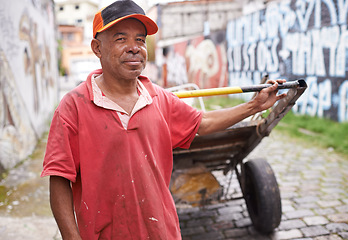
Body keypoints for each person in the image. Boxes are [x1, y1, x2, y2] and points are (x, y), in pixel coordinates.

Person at [41, 0, 286, 239]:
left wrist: (254, 105)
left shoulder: (158, 98)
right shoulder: (73, 106)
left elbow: (204, 123)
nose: (134, 47)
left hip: (161, 231)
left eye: (140, 39)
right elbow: (60, 178)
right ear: (97, 48)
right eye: (120, 38)